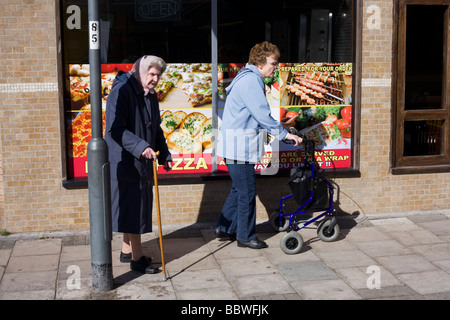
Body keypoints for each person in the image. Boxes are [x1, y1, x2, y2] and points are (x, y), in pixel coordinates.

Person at [215, 41, 303, 249]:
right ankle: (245, 236)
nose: (276, 67)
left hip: (234, 145)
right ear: (261, 62)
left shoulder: (246, 77)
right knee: (246, 192)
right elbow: (262, 114)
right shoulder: (251, 81)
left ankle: (225, 227)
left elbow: (255, 114)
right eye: (274, 63)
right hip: (240, 148)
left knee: (239, 189)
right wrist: (284, 135)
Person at [105, 55, 172, 273]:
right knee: (133, 208)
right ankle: (138, 258)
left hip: (141, 159)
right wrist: (141, 147)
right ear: (139, 72)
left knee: (135, 206)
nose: (155, 79)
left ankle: (126, 250)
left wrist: (165, 155)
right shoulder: (122, 91)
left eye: (158, 75)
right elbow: (115, 129)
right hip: (125, 160)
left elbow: (156, 128)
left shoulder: (150, 95)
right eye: (152, 74)